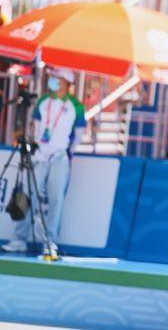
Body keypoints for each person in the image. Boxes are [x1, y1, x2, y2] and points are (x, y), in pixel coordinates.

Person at [2, 68, 85, 256]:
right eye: (52, 77)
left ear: (66, 81)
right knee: (28, 195)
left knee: (56, 199)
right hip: (39, 155)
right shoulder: (43, 101)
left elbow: (78, 135)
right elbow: (35, 126)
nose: (53, 80)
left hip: (59, 158)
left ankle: (50, 242)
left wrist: (66, 153)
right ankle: (19, 239)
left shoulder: (76, 106)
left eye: (57, 78)